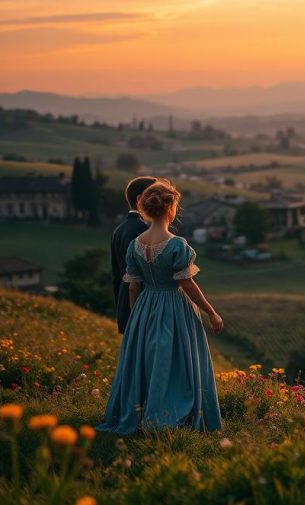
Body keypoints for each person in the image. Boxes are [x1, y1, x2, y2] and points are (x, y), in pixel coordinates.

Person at [97, 180, 225, 434]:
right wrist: (211, 312)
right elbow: (186, 284)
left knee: (147, 360)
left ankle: (141, 411)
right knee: (178, 361)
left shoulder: (136, 244)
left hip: (145, 306)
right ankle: (172, 412)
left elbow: (133, 286)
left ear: (144, 208)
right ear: (171, 208)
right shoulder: (177, 244)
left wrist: (136, 318)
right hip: (174, 306)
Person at [110, 176, 157, 334]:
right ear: (140, 199)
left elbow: (116, 275)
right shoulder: (143, 230)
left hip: (125, 303)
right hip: (142, 304)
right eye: (154, 195)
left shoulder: (118, 230)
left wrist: (120, 308)